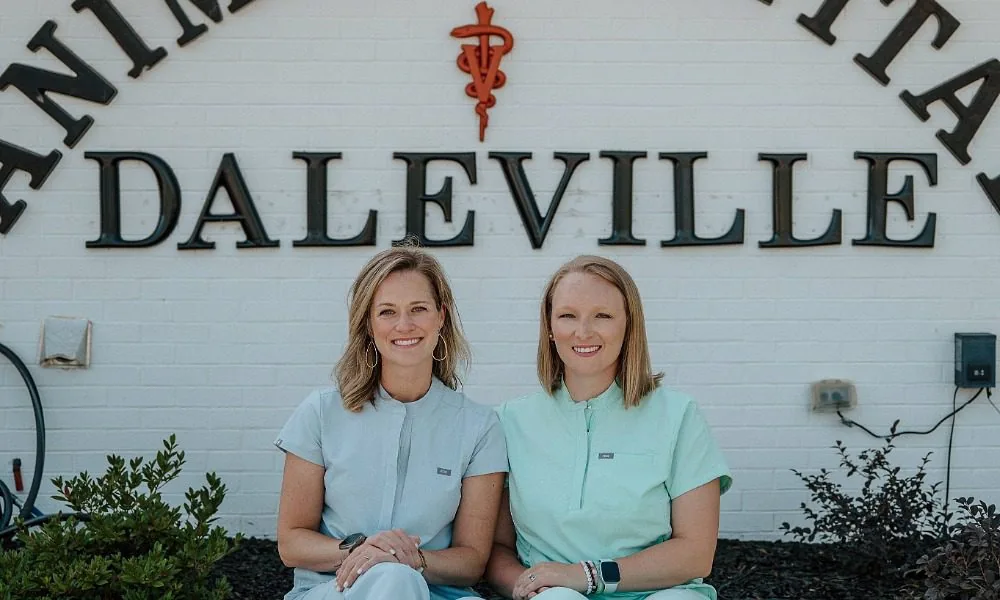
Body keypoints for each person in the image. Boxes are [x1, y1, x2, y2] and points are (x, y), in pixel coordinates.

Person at [486, 255, 732, 600]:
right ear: (550, 327)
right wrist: (528, 585)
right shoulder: (509, 421)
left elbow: (695, 553)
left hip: (659, 593)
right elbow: (497, 547)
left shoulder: (679, 415)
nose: (583, 331)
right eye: (568, 316)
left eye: (602, 316)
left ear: (629, 325)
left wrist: (588, 576)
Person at [274, 244, 507, 600]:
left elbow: (472, 560)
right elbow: (291, 541)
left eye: (418, 309)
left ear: (441, 317)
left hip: (437, 592)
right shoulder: (320, 412)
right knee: (395, 582)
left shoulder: (479, 426)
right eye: (387, 312)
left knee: (401, 579)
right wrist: (363, 551)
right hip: (334, 589)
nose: (404, 325)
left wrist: (407, 559)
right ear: (368, 323)